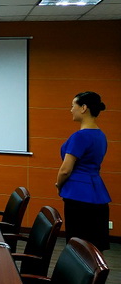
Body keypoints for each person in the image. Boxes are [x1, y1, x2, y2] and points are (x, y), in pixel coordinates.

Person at [56, 91, 111, 252]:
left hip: (78, 196)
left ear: (84, 108)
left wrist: (59, 185)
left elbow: (65, 170)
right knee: (94, 248)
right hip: (98, 194)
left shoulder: (79, 137)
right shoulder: (101, 135)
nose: (71, 110)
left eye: (73, 105)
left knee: (78, 247)